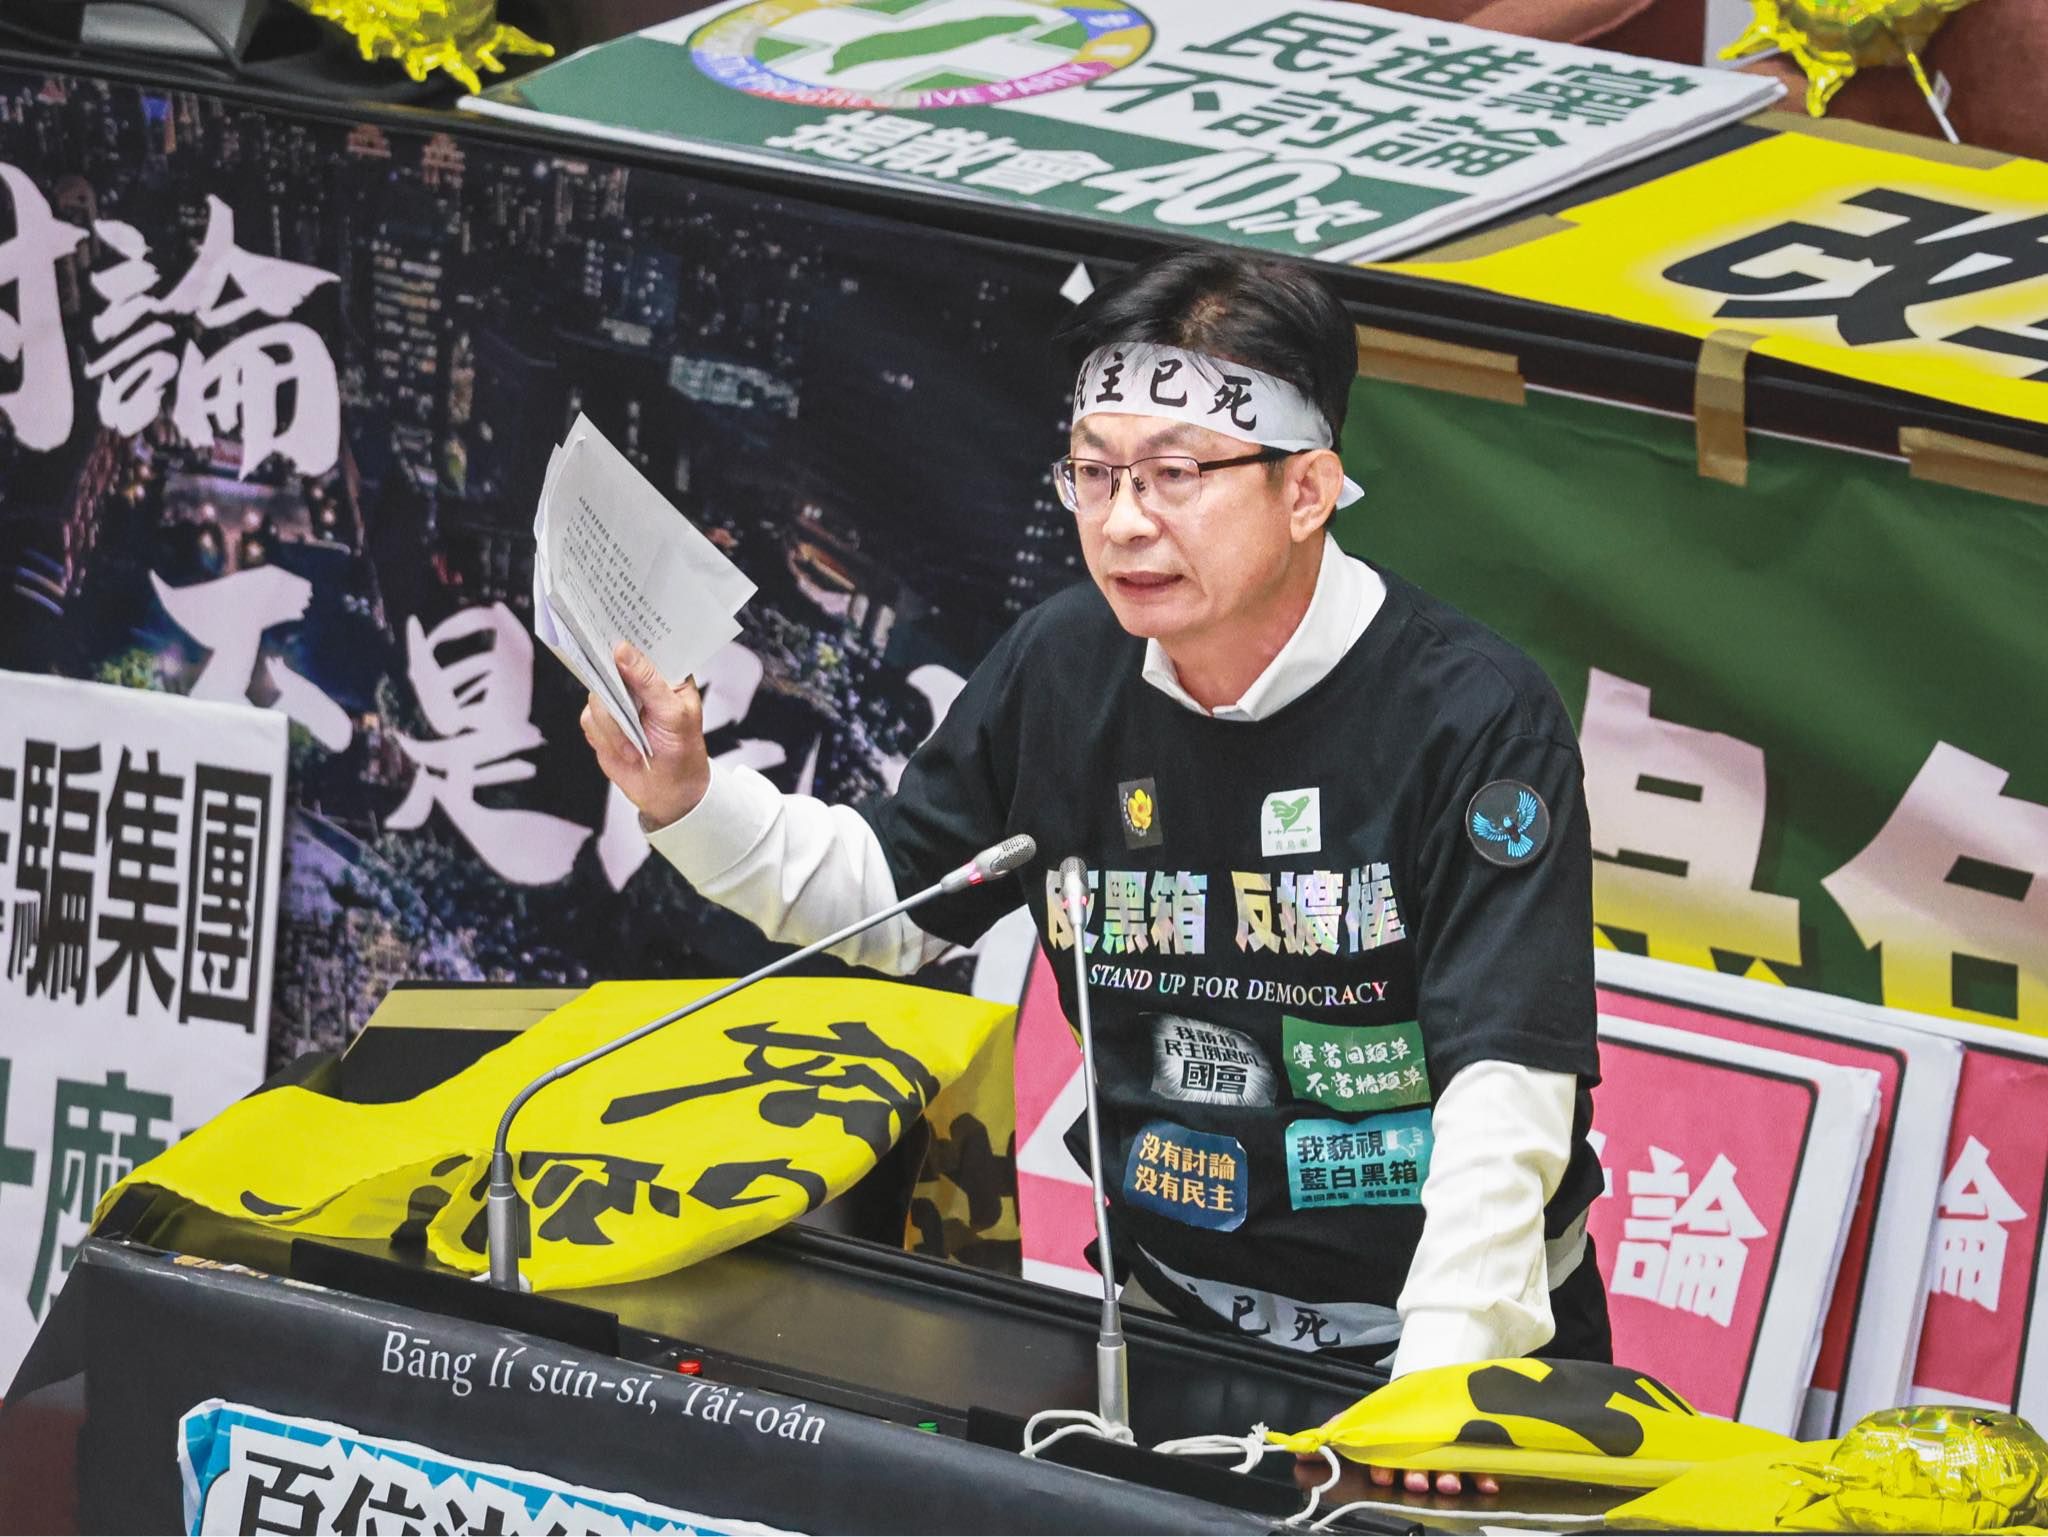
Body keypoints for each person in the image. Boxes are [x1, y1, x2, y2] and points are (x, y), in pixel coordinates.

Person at [583, 247, 1608, 1501]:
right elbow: (891, 902)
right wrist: (688, 798)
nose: (1122, 521)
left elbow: (1507, 1085)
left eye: (1175, 475)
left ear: (1306, 490)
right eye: (1094, 471)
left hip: (1451, 1348)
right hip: (1168, 1327)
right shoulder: (1064, 664)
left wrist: (1440, 1388)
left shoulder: (1472, 715)